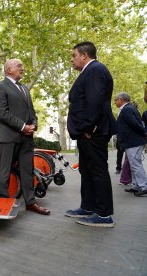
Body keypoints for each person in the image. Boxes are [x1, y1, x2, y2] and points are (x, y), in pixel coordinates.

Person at [65, 41, 116, 227]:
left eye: (74, 56)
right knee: (86, 169)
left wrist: (88, 128)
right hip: (85, 132)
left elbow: (95, 102)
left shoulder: (95, 69)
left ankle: (103, 215)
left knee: (97, 170)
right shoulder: (90, 71)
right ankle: (88, 207)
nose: (72, 60)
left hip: (92, 132)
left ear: (84, 55)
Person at [0, 58, 50, 215]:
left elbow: (31, 111)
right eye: (19, 66)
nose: (22, 68)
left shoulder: (24, 88)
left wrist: (34, 125)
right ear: (9, 70)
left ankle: (30, 203)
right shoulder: (0, 86)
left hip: (26, 139)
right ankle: (3, 204)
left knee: (28, 171)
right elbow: (2, 113)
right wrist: (23, 127)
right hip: (8, 138)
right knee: (5, 172)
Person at [115, 92, 147, 196]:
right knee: (134, 165)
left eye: (116, 99)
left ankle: (144, 186)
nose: (115, 102)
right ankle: (136, 186)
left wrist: (144, 133)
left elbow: (135, 124)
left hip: (133, 141)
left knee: (136, 165)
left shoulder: (127, 109)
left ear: (121, 99)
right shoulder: (129, 108)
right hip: (133, 141)